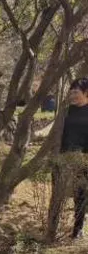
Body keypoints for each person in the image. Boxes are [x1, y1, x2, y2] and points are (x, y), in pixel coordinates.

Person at [55, 78, 88, 240]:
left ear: (86, 93)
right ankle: (53, 227)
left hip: (84, 160)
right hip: (64, 157)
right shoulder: (66, 111)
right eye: (71, 91)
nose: (72, 95)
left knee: (80, 194)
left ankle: (78, 230)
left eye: (76, 92)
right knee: (58, 192)